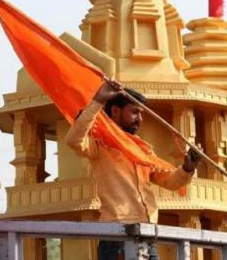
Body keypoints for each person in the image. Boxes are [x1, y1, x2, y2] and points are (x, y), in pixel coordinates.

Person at [65, 80, 201, 260]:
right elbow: (74, 140)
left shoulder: (143, 149)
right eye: (135, 112)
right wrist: (98, 100)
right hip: (117, 237)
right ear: (115, 111)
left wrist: (187, 168)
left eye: (141, 113)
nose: (140, 119)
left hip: (147, 235)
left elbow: (168, 181)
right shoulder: (101, 145)